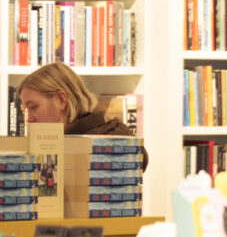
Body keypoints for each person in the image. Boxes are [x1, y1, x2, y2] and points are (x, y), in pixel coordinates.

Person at [16, 62, 146, 165]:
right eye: (25, 110)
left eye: (33, 107)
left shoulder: (110, 142)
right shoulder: (55, 142)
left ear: (61, 100)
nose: (29, 119)